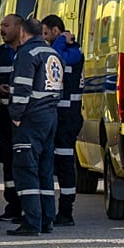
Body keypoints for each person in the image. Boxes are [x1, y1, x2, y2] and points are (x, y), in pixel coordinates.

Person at [6, 16, 62, 236]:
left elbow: (21, 88)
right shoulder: (53, 54)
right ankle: (47, 219)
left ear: (22, 32)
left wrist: (16, 116)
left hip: (31, 118)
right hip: (50, 115)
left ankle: (31, 222)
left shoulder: (27, 54)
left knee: (26, 169)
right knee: (45, 171)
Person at [42, 14, 83, 226]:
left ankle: (66, 211)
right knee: (53, 163)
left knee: (66, 165)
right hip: (59, 116)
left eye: (46, 32)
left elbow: (54, 59)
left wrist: (60, 41)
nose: (44, 37)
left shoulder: (73, 51)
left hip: (68, 118)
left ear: (56, 31)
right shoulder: (63, 48)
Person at [0, 14, 25, 223]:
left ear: (19, 28)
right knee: (8, 161)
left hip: (25, 118)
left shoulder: (27, 51)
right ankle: (12, 204)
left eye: (6, 25)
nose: (2, 29)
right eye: (1, 25)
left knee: (25, 160)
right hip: (5, 116)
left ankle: (26, 205)